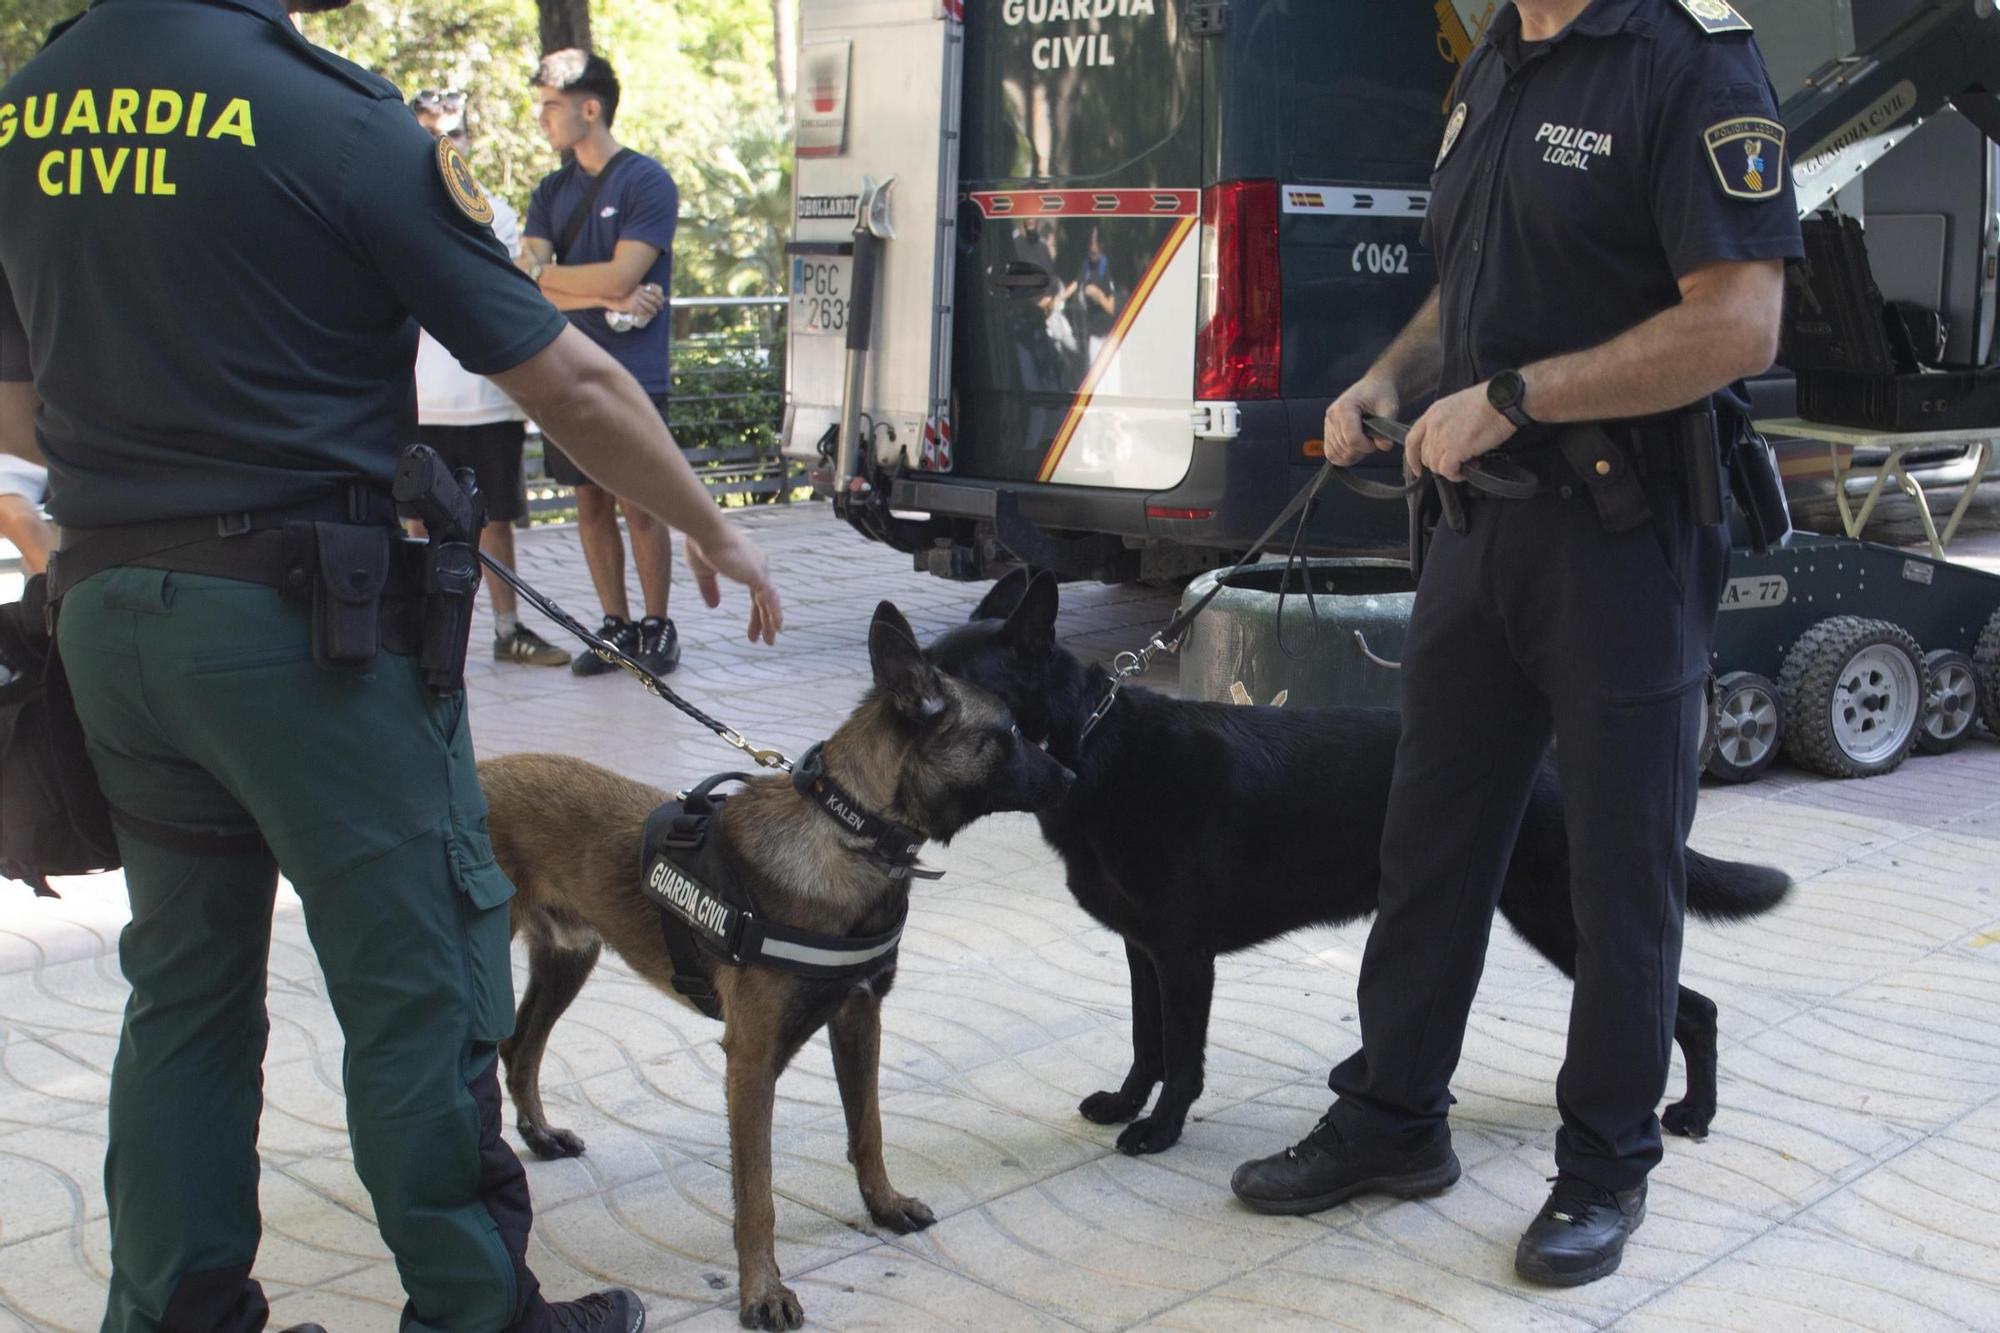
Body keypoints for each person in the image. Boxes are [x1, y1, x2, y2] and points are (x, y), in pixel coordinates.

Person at [0, 2, 782, 1330]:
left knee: (183, 988)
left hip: (110, 620)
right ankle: (479, 1312)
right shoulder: (332, 115)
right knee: (419, 971)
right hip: (302, 633)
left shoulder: (33, 105)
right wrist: (710, 526)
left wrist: (98, 519)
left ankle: (173, 1312)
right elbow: (567, 382)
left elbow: (13, 389)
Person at [1229, 0, 1799, 1288]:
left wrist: (1513, 399)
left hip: (1624, 537)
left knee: (1615, 874)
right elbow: (1472, 273)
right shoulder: (1495, 56)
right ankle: (1390, 1118)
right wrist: (1391, 379)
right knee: (1426, 844)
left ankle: (1603, 1165)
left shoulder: (1688, 60)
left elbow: (1735, 323)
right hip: (1475, 537)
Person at [519, 50, 682, 678]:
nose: (542, 120)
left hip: (632, 374)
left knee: (641, 504)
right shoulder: (550, 190)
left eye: (551, 107)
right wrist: (606, 292)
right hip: (567, 370)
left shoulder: (645, 182)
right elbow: (523, 282)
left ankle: (657, 625)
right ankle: (613, 625)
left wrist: (570, 280)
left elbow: (624, 271)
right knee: (589, 504)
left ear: (591, 108)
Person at [409, 89, 571, 668]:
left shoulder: (494, 213)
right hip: (421, 398)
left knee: (494, 517)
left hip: (487, 397)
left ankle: (508, 631)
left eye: (453, 134)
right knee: (418, 519)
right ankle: (419, 630)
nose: (442, 145)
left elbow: (511, 287)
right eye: (431, 132)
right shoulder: (390, 204)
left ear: (470, 142)